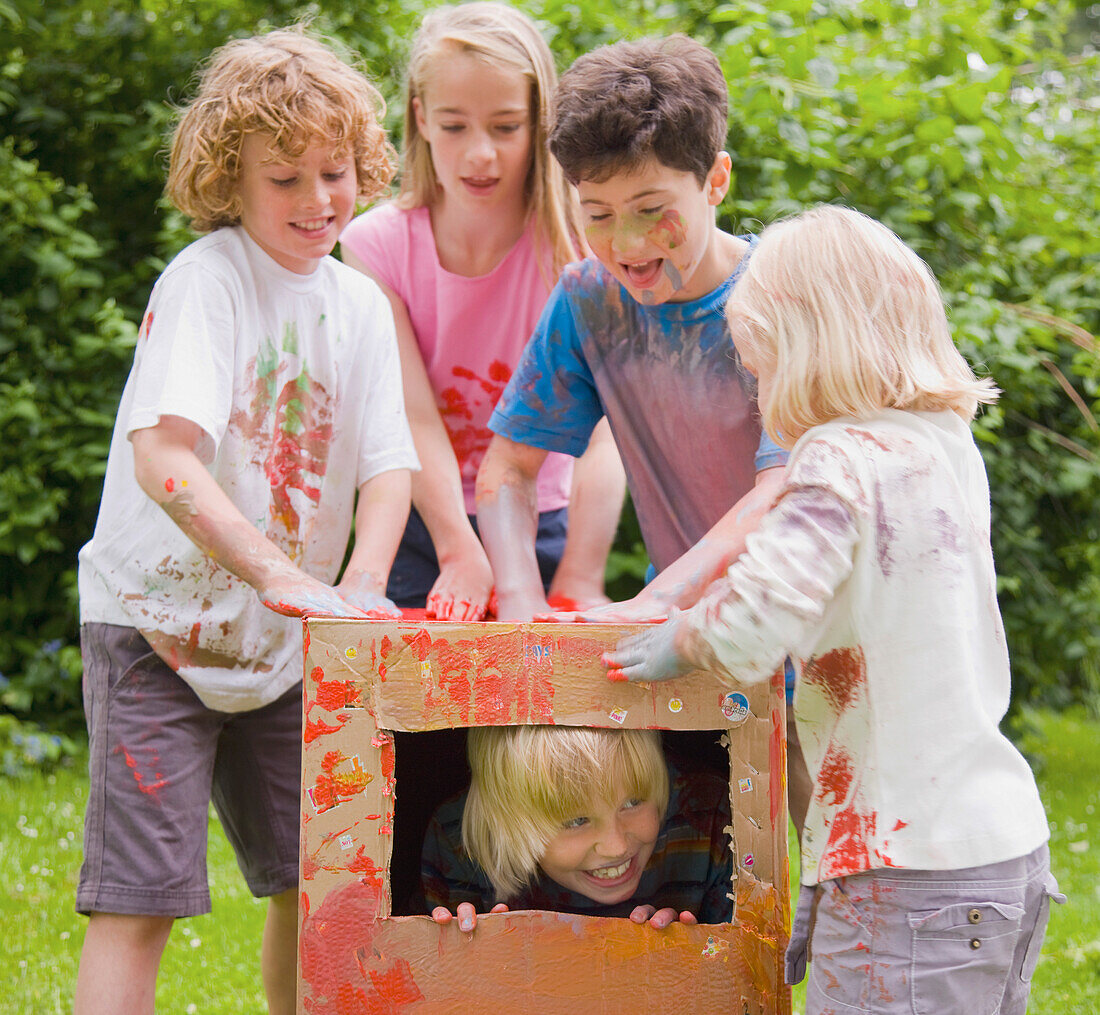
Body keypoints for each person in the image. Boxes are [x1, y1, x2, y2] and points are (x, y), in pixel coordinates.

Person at [604, 205, 1063, 1014]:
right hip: (998, 850)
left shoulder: (837, 461)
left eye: (759, 368)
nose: (759, 390)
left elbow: (757, 619)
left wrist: (682, 636)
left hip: (906, 871)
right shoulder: (943, 444)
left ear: (803, 347)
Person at [73, 28, 419, 1015]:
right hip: (155, 629)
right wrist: (272, 569)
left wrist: (358, 586)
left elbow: (390, 468)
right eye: (286, 179)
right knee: (138, 901)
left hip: (287, 647)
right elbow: (165, 453)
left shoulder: (359, 305)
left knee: (318, 886)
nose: (318, 200)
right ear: (230, 180)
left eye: (336, 171)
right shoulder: (207, 280)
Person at [473, 34, 811, 832]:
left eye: (653, 212)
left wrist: (657, 599)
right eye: (597, 216)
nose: (626, 245)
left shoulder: (777, 301)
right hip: (699, 644)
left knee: (833, 853)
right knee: (723, 895)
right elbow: (508, 474)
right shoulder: (590, 300)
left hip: (821, 626)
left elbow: (780, 492)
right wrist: (524, 617)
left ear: (716, 180)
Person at [340, 1, 625, 623]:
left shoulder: (578, 242)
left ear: (539, 124)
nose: (480, 156)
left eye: (504, 127)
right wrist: (459, 550)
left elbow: (606, 428)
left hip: (547, 522)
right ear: (419, 117)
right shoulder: (374, 246)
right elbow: (410, 415)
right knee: (423, 716)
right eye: (454, 126)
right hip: (421, 525)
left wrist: (580, 572)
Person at [422, 725, 733, 930]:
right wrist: (471, 956)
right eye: (575, 821)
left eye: (632, 802)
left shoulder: (707, 817)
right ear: (507, 823)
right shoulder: (460, 844)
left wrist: (686, 955)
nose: (616, 847)